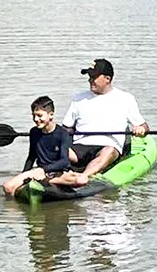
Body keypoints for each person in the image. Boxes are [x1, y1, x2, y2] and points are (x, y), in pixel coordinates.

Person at [51, 58, 149, 187]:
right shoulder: (78, 98)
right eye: (89, 77)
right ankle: (48, 175)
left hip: (107, 145)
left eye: (94, 77)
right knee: (55, 148)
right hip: (80, 147)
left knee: (109, 151)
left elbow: (143, 125)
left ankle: (82, 178)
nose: (90, 80)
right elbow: (67, 128)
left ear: (107, 79)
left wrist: (141, 129)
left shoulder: (126, 99)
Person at [2, 96, 73, 197]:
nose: (36, 119)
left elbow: (64, 161)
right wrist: (24, 176)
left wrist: (44, 170)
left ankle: (51, 182)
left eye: (39, 116)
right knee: (8, 187)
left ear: (51, 115)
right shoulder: (34, 132)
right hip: (38, 172)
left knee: (81, 180)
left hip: (58, 172)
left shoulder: (63, 133)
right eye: (33, 115)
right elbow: (31, 157)